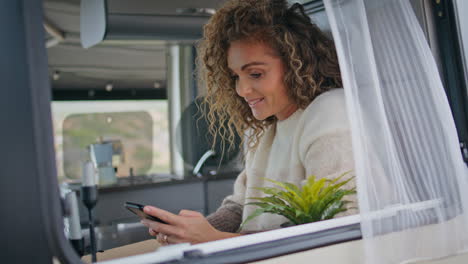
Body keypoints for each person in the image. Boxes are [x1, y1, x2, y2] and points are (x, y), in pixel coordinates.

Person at [141, 0, 356, 245]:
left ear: (298, 64)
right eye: (235, 76)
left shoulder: (329, 112)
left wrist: (215, 239)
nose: (242, 90)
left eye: (255, 74)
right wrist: (191, 231)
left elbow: (333, 226)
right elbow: (240, 205)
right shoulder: (264, 128)